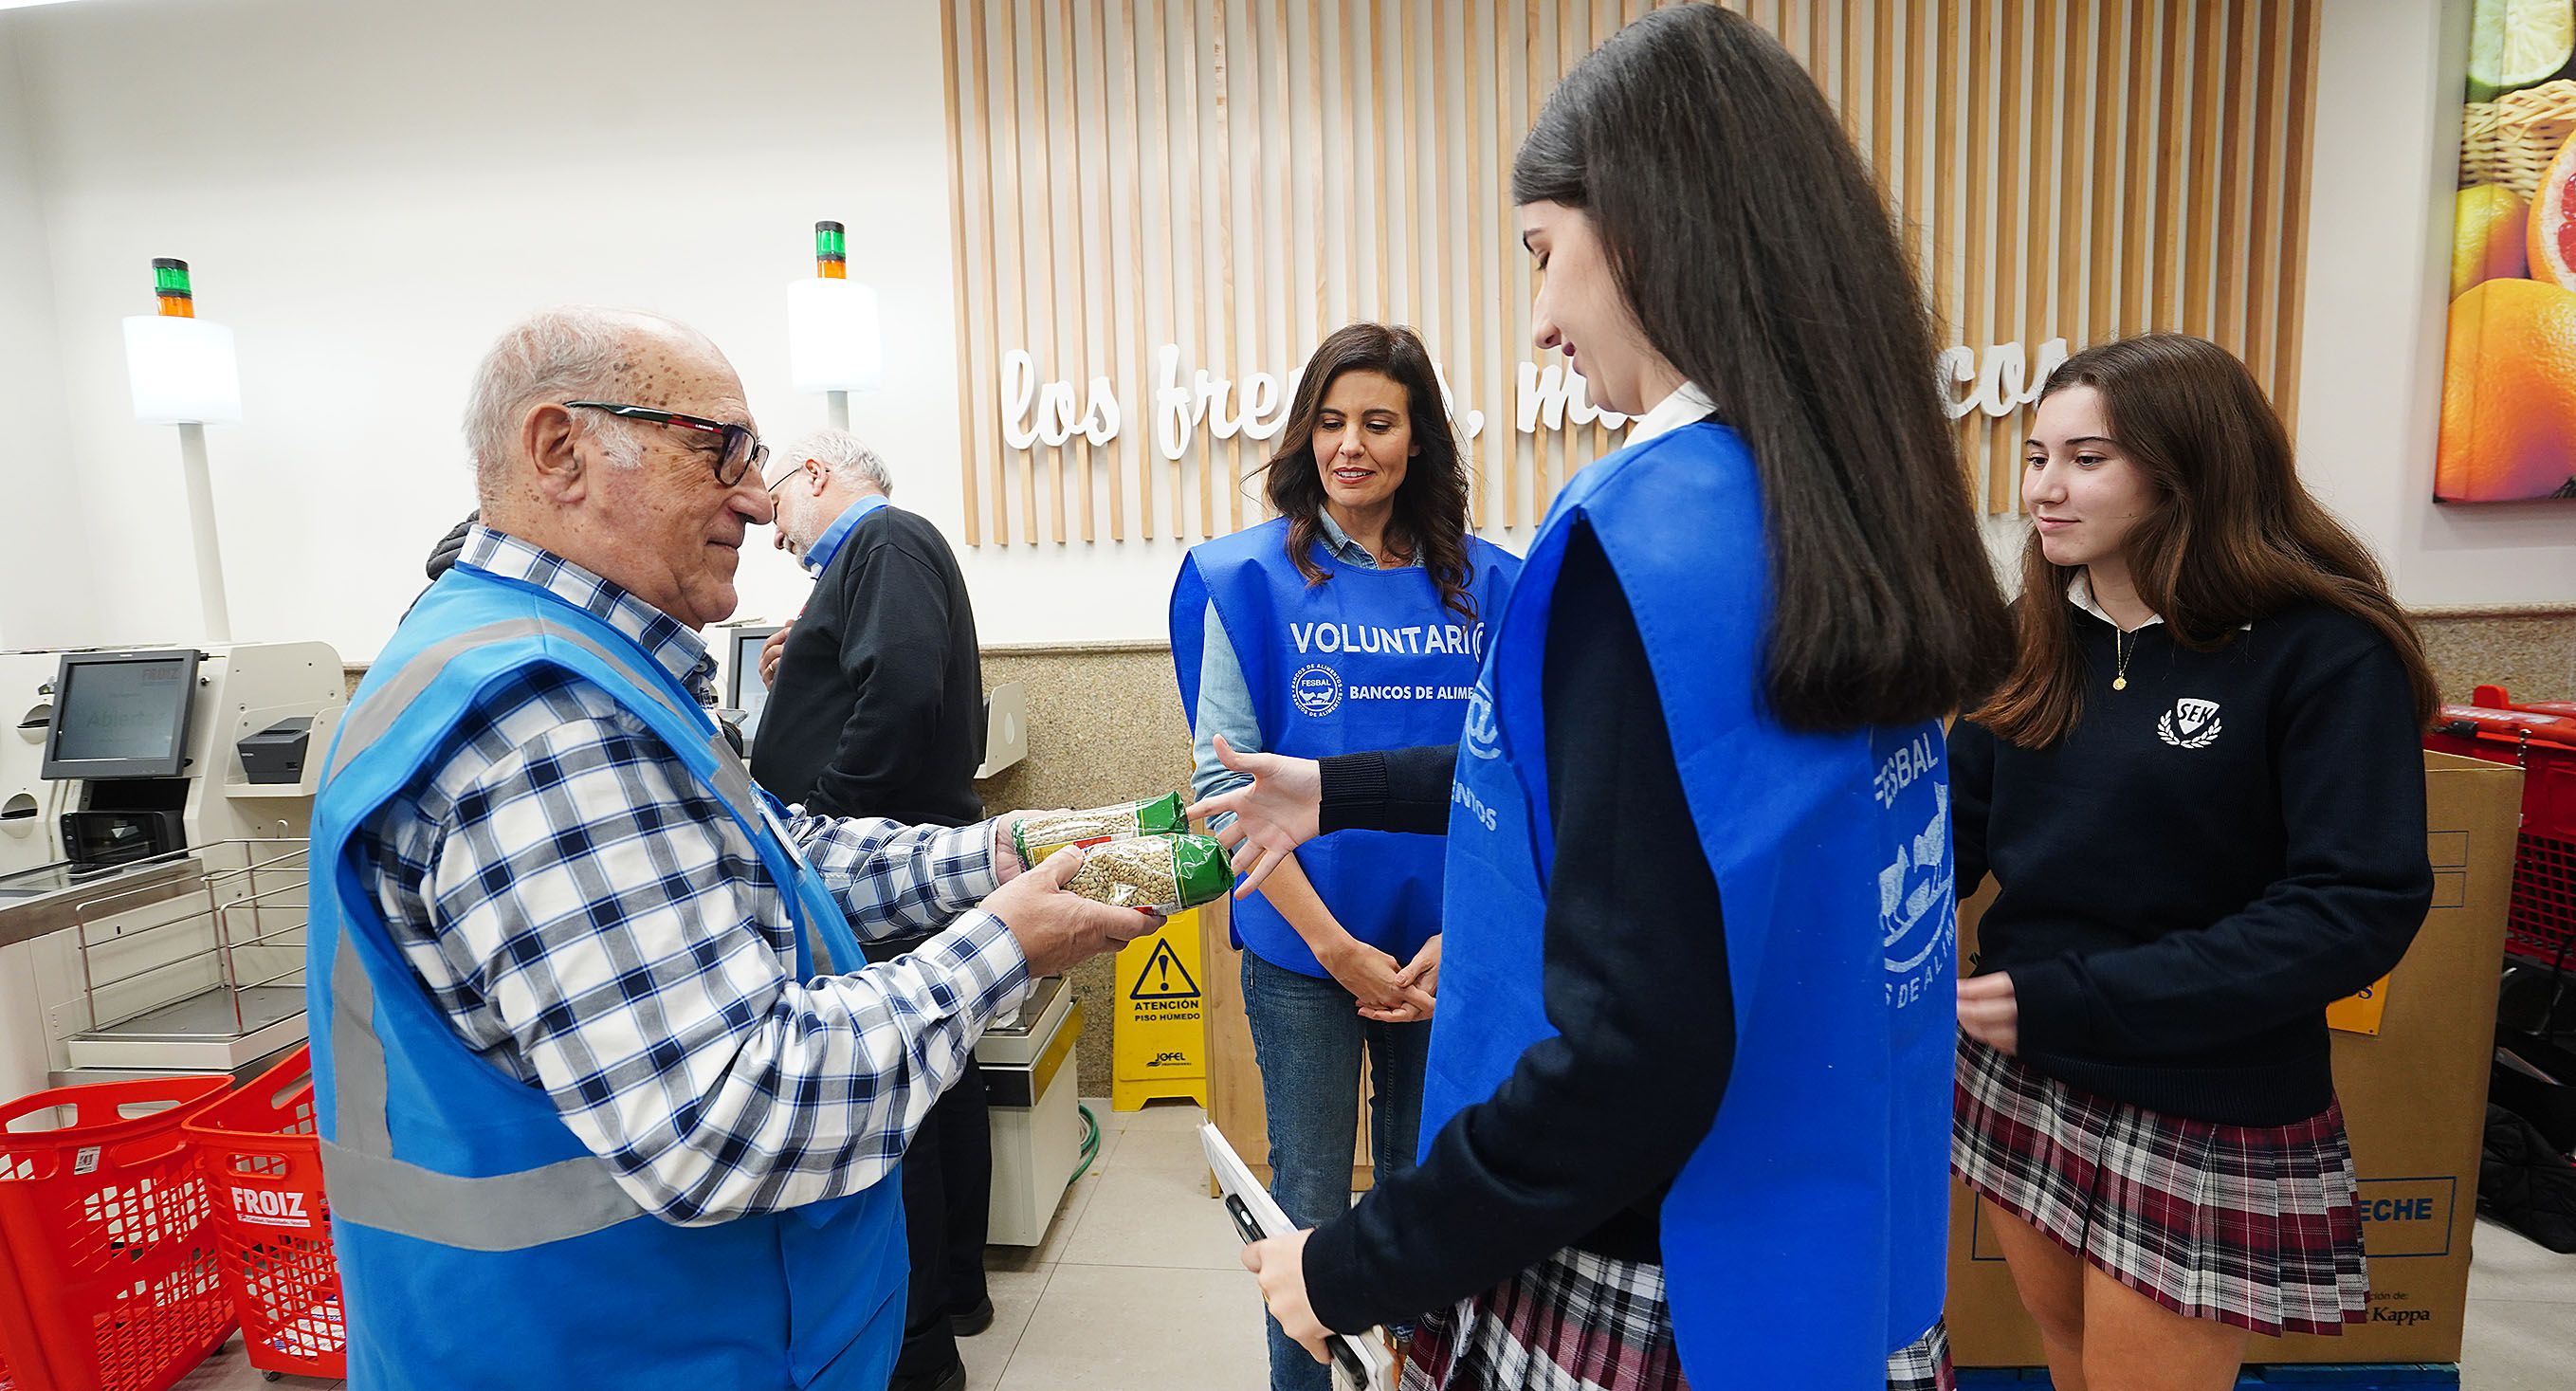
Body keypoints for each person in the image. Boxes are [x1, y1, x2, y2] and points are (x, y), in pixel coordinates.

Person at [1201, 9, 2014, 1389]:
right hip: (1831, 1242)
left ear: (1642, 228)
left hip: (1648, 1269)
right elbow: (1632, 801)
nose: (1539, 323)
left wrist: (1351, 1259)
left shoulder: (1639, 540)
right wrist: (1332, 785)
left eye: (1542, 253)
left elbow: (1632, 1053)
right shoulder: (1836, 507)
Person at [306, 306, 1153, 1391]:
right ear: (559, 449)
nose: (757, 500)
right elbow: (729, 1107)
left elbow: (771, 858)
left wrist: (993, 856)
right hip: (614, 1348)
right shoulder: (543, 722)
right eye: (720, 449)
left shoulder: (577, 665)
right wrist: (1002, 946)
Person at [1947, 333, 2439, 1391]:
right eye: (2035, 457)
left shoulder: (2322, 651)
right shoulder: (2028, 636)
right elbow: (1952, 834)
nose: (2043, 488)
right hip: (2022, 1065)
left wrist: (2076, 996)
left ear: (2188, 469)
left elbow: (2351, 907)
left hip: (2198, 1092)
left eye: (2086, 459)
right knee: (2064, 1351)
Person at [1168, 321, 1519, 1391]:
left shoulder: (1491, 588)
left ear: (1419, 443)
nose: (1350, 445)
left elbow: (1515, 792)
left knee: (1428, 1201)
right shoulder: (1241, 580)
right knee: (1309, 1205)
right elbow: (1224, 796)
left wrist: (1462, 941)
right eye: (1329, 422)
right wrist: (1336, 951)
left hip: (1446, 956)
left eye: (1377, 421)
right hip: (1301, 950)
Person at [757, 428, 995, 1391]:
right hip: (896, 857)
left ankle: (924, 1333)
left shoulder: (886, 542)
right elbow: (873, 676)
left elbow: (898, 692)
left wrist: (821, 818)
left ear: (814, 474)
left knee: (908, 1106)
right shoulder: (865, 561)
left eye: (771, 503)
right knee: (938, 1084)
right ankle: (954, 1297)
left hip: (878, 867)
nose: (767, 532)